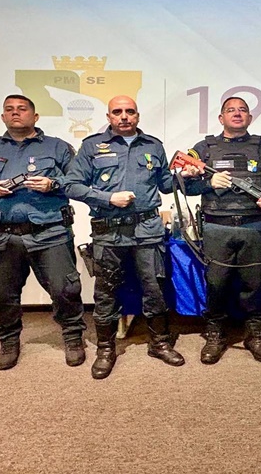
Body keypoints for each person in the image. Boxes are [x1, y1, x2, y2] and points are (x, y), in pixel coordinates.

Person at [0, 94, 85, 371]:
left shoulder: (57, 147)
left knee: (65, 289)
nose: (16, 113)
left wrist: (52, 184)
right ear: (3, 116)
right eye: (9, 109)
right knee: (1, 295)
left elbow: (78, 180)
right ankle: (9, 340)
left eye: (22, 109)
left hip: (50, 232)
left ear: (35, 116)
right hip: (3, 235)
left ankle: (73, 337)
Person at [64, 95, 185, 379]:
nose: (124, 116)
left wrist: (184, 175)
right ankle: (106, 349)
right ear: (109, 117)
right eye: (117, 112)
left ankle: (159, 343)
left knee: (155, 288)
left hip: (147, 230)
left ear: (137, 115)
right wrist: (107, 198)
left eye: (130, 111)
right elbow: (71, 185)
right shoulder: (92, 146)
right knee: (106, 292)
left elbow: (165, 185)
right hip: (109, 231)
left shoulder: (153, 145)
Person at [182, 96, 261, 364]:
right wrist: (209, 184)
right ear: (221, 118)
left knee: (254, 283)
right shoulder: (202, 149)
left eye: (242, 110)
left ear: (249, 117)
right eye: (231, 110)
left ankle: (254, 334)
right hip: (217, 226)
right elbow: (184, 185)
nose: (237, 114)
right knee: (216, 283)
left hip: (254, 225)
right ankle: (215, 334)